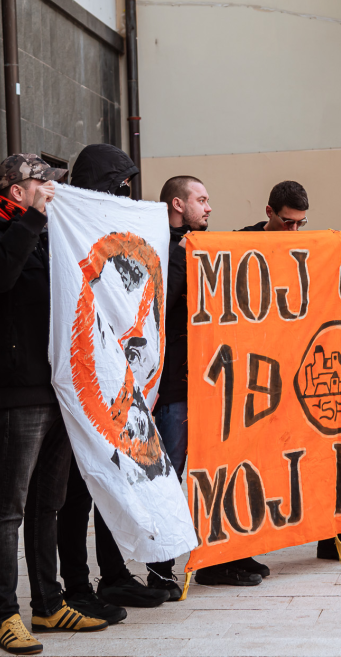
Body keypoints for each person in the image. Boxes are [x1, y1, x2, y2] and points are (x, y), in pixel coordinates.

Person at [0, 154, 108, 656]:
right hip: (18, 390)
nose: (51, 190)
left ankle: (49, 603)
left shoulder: (48, 236)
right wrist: (35, 220)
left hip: (60, 387)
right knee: (10, 508)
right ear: (16, 190)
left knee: (51, 502)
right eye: (42, 183)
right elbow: (0, 278)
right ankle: (6, 615)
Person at [57, 144, 170, 617]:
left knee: (117, 482)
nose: (125, 192)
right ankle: (77, 587)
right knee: (76, 494)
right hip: (80, 379)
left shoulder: (117, 230)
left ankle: (115, 577)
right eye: (118, 184)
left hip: (120, 381)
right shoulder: (65, 229)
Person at [239, 181, 341, 565]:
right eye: (287, 222)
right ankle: (240, 548)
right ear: (268, 212)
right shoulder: (238, 245)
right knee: (258, 461)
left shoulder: (310, 248)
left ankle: (333, 538)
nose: (294, 230)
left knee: (322, 457)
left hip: (304, 370)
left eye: (301, 223)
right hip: (262, 374)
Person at [150, 175, 269, 590]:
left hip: (211, 383)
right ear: (178, 204)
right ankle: (159, 569)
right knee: (169, 475)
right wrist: (183, 258)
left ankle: (220, 555)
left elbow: (250, 242)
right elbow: (158, 310)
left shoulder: (198, 245)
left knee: (219, 471)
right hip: (173, 387)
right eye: (202, 199)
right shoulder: (160, 246)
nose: (209, 207)